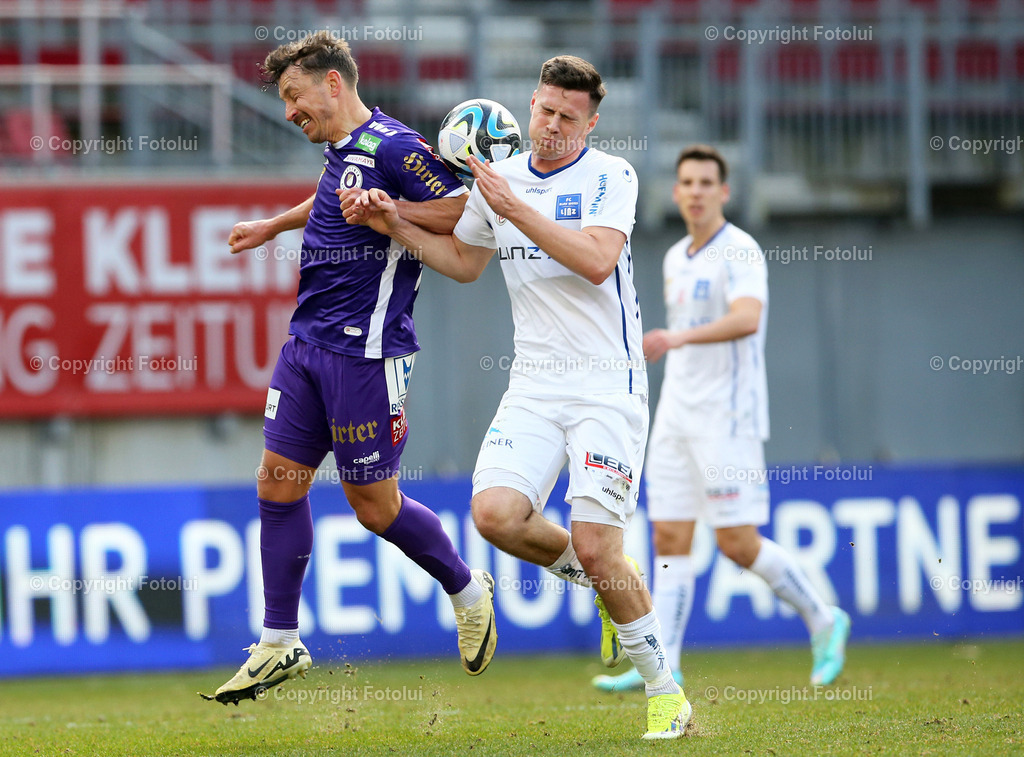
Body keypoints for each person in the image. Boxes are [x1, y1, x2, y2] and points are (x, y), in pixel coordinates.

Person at [342, 55, 690, 741]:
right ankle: (602, 579)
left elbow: (594, 259)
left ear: (590, 122)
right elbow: (466, 263)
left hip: (605, 385)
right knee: (494, 515)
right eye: (545, 110)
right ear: (529, 104)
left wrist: (513, 207)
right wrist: (395, 226)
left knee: (598, 544)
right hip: (534, 382)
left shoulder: (608, 176)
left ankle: (666, 690)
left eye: (568, 117)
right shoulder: (500, 179)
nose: (552, 126)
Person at [201, 31, 496, 706]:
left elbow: (463, 211)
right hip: (305, 346)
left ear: (333, 83)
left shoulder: (396, 146)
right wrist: (273, 226)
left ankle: (465, 586)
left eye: (294, 96)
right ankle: (279, 640)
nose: (289, 112)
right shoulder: (343, 147)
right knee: (276, 483)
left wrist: (394, 213)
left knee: (374, 507)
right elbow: (336, 195)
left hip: (366, 354)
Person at [592, 144, 851, 694]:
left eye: (707, 182)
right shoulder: (676, 256)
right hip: (676, 414)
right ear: (676, 192)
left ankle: (823, 618)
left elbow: (747, 318)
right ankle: (667, 665)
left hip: (727, 415)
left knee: (736, 542)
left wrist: (677, 337)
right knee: (669, 537)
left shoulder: (741, 250)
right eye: (686, 182)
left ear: (723, 192)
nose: (695, 191)